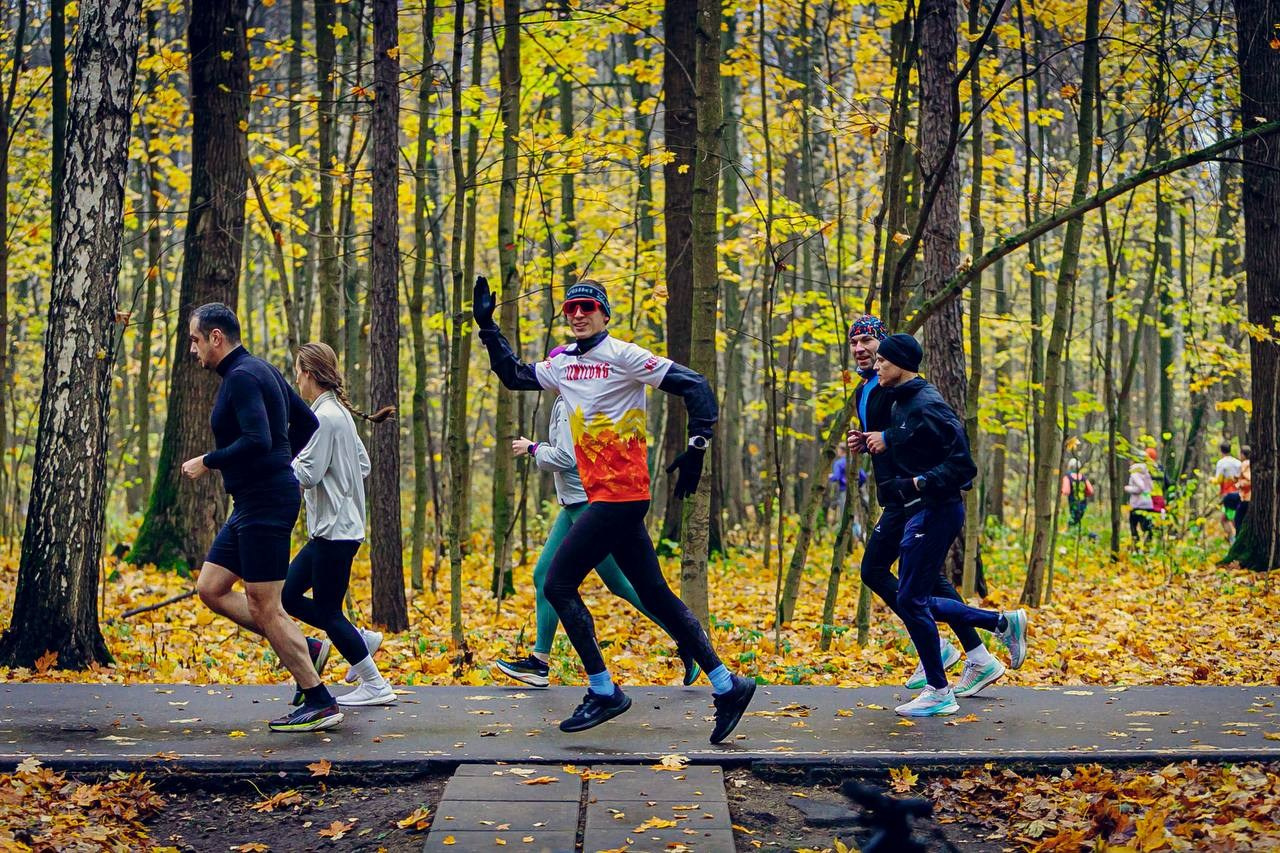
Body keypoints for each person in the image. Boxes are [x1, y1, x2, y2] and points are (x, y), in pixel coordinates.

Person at [473, 276, 755, 743]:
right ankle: (728, 685)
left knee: (558, 582)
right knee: (654, 593)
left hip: (619, 496)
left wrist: (698, 445)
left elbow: (696, 385)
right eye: (571, 309)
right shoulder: (563, 362)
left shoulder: (623, 355)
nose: (578, 315)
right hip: (604, 496)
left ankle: (604, 691)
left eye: (587, 308)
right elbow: (516, 376)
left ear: (604, 314)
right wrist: (488, 327)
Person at [494, 345, 700, 689]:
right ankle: (539, 662)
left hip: (589, 504)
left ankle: (690, 642)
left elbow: (565, 457)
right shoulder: (566, 401)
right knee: (549, 575)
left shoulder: (570, 405)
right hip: (575, 503)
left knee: (621, 585)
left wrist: (532, 449)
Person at [184, 303, 342, 733]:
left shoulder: (241, 378)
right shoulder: (262, 369)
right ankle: (304, 646)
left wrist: (209, 461)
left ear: (217, 337)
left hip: (266, 503)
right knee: (212, 587)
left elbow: (258, 439)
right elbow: (306, 425)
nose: (194, 350)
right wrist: (278, 460)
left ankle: (319, 699)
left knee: (265, 604)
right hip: (252, 502)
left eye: (196, 340)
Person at [857, 334, 1027, 717]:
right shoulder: (902, 402)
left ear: (901, 363)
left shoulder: (927, 405)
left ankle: (945, 682)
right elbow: (916, 446)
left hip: (935, 509)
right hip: (916, 508)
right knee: (910, 598)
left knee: (911, 600)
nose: (877, 365)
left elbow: (963, 467)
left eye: (883, 359)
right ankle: (992, 631)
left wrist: (917, 483)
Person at [283, 342, 395, 707]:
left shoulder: (325, 417)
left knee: (329, 613)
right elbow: (361, 465)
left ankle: (375, 684)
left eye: (298, 371)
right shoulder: (338, 414)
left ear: (310, 374)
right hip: (335, 529)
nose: (296, 378)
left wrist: (280, 458)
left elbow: (309, 474)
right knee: (288, 595)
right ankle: (361, 638)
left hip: (335, 532)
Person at [1214, 441, 1243, 540]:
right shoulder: (1238, 462)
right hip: (1239, 493)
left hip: (1228, 494)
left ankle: (1234, 539)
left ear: (1221, 451)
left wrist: (1211, 480)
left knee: (1226, 519)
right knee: (1233, 517)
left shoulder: (1221, 463)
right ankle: (1235, 538)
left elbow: (1219, 480)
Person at [1125, 459, 1156, 544]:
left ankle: (1136, 547)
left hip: (1137, 505)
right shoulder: (1146, 472)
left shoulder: (1134, 473)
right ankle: (1147, 548)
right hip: (1148, 504)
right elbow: (1151, 487)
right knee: (1147, 528)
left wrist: (1128, 489)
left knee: (1133, 527)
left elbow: (1141, 487)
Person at [1061, 458, 1094, 527]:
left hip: (1073, 504)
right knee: (1079, 522)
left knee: (1072, 522)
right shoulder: (1083, 477)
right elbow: (1091, 491)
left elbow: (1066, 491)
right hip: (1083, 504)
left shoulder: (1068, 476)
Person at [1237, 445, 1252, 526]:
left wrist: (1239, 484)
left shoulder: (1245, 464)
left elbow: (1249, 481)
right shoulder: (1250, 463)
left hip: (1246, 497)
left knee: (1238, 520)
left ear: (1243, 454)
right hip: (1248, 497)